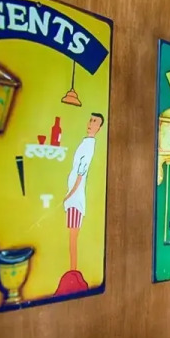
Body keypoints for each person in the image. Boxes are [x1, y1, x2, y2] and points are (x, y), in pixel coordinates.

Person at [63, 112, 104, 271]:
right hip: (73, 198)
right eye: (90, 120)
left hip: (75, 200)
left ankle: (73, 271)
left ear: (99, 128)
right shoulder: (85, 142)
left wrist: (69, 194)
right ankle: (72, 270)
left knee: (73, 239)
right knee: (72, 238)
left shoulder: (89, 146)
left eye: (95, 122)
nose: (91, 123)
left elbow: (81, 174)